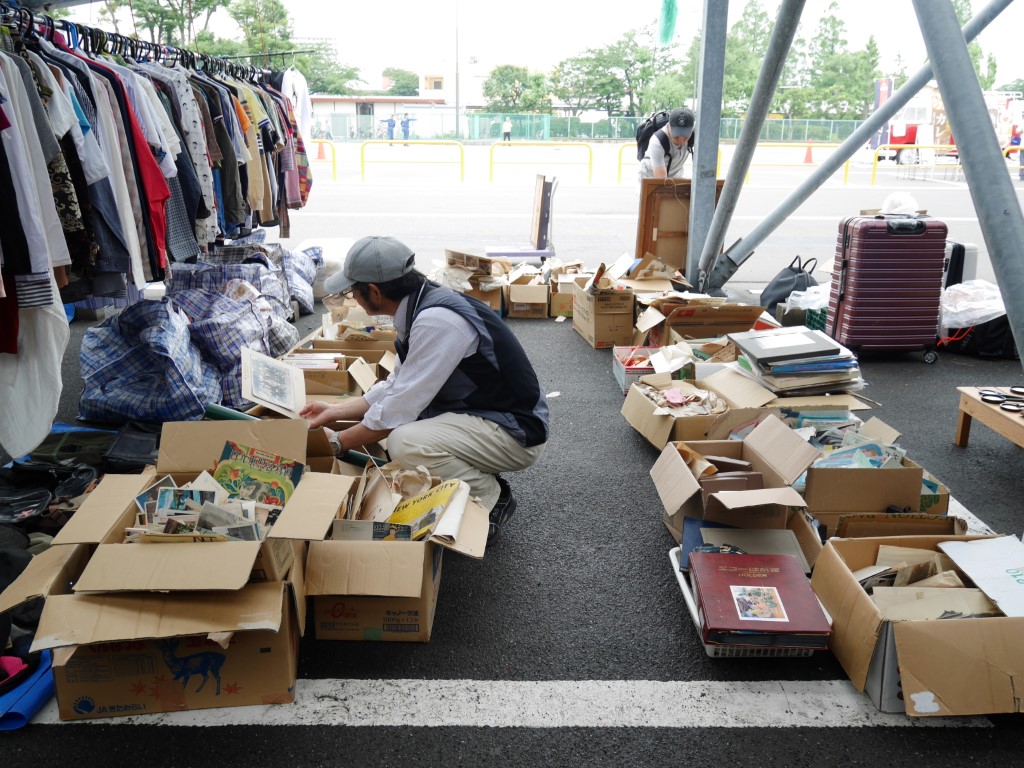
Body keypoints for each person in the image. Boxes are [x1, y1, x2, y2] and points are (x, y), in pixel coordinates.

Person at [302, 237, 549, 544]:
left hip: (516, 432)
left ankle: (492, 497)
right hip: (487, 416)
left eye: (353, 291)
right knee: (403, 435)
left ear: (375, 292)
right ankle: (473, 473)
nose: (353, 298)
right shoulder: (423, 304)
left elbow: (397, 411)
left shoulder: (436, 320)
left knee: (404, 442)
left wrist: (337, 443)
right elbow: (397, 385)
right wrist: (335, 412)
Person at [639, 107, 695, 180]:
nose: (681, 141)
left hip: (676, 175)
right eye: (676, 136)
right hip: (650, 178)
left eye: (685, 136)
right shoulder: (657, 142)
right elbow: (661, 180)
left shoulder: (696, 131)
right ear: (668, 126)